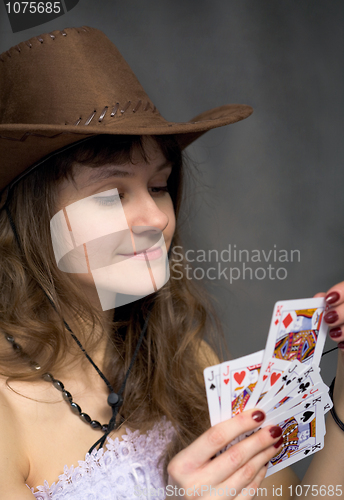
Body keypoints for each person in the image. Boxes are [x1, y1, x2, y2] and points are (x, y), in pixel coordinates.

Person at [0, 26, 343, 500]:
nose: (155, 218)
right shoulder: (6, 411)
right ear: (30, 219)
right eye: (112, 194)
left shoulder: (184, 360)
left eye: (158, 186)